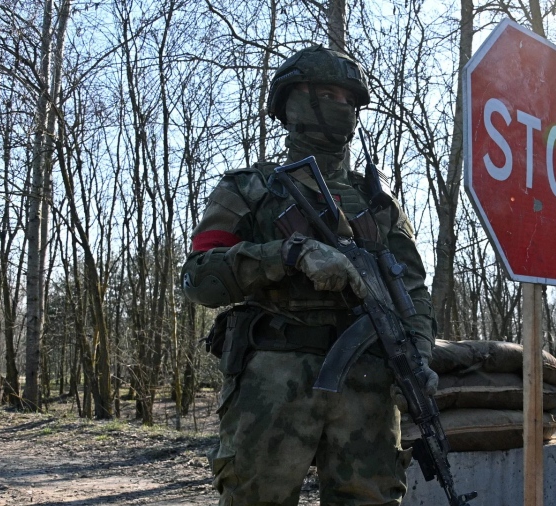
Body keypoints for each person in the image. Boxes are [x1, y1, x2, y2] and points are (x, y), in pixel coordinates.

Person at [181, 45, 437, 506]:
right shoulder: (248, 189)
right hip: (273, 377)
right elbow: (199, 277)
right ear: (290, 103)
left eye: (349, 100)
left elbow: (412, 289)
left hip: (368, 382)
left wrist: (418, 356)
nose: (342, 108)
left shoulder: (377, 201)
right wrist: (289, 253)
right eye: (326, 94)